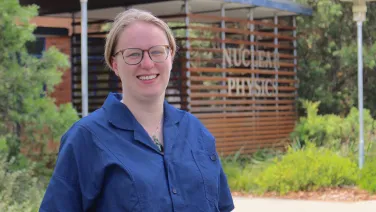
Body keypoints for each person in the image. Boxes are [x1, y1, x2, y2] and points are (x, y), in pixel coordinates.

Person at [39, 8, 234, 212]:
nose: (147, 64)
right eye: (133, 54)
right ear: (115, 64)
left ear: (171, 56)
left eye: (157, 51)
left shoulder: (197, 132)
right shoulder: (86, 139)